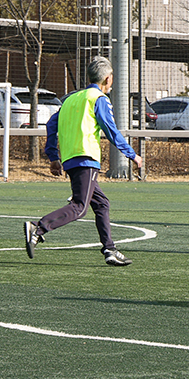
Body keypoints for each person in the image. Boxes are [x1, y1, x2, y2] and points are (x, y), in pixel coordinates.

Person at [30, 58, 143, 267]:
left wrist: (54, 157)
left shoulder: (71, 99)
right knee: (80, 207)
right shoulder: (98, 99)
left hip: (71, 159)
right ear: (108, 79)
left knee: (101, 204)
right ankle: (38, 228)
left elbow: (51, 125)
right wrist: (132, 155)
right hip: (86, 158)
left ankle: (109, 249)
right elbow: (111, 130)